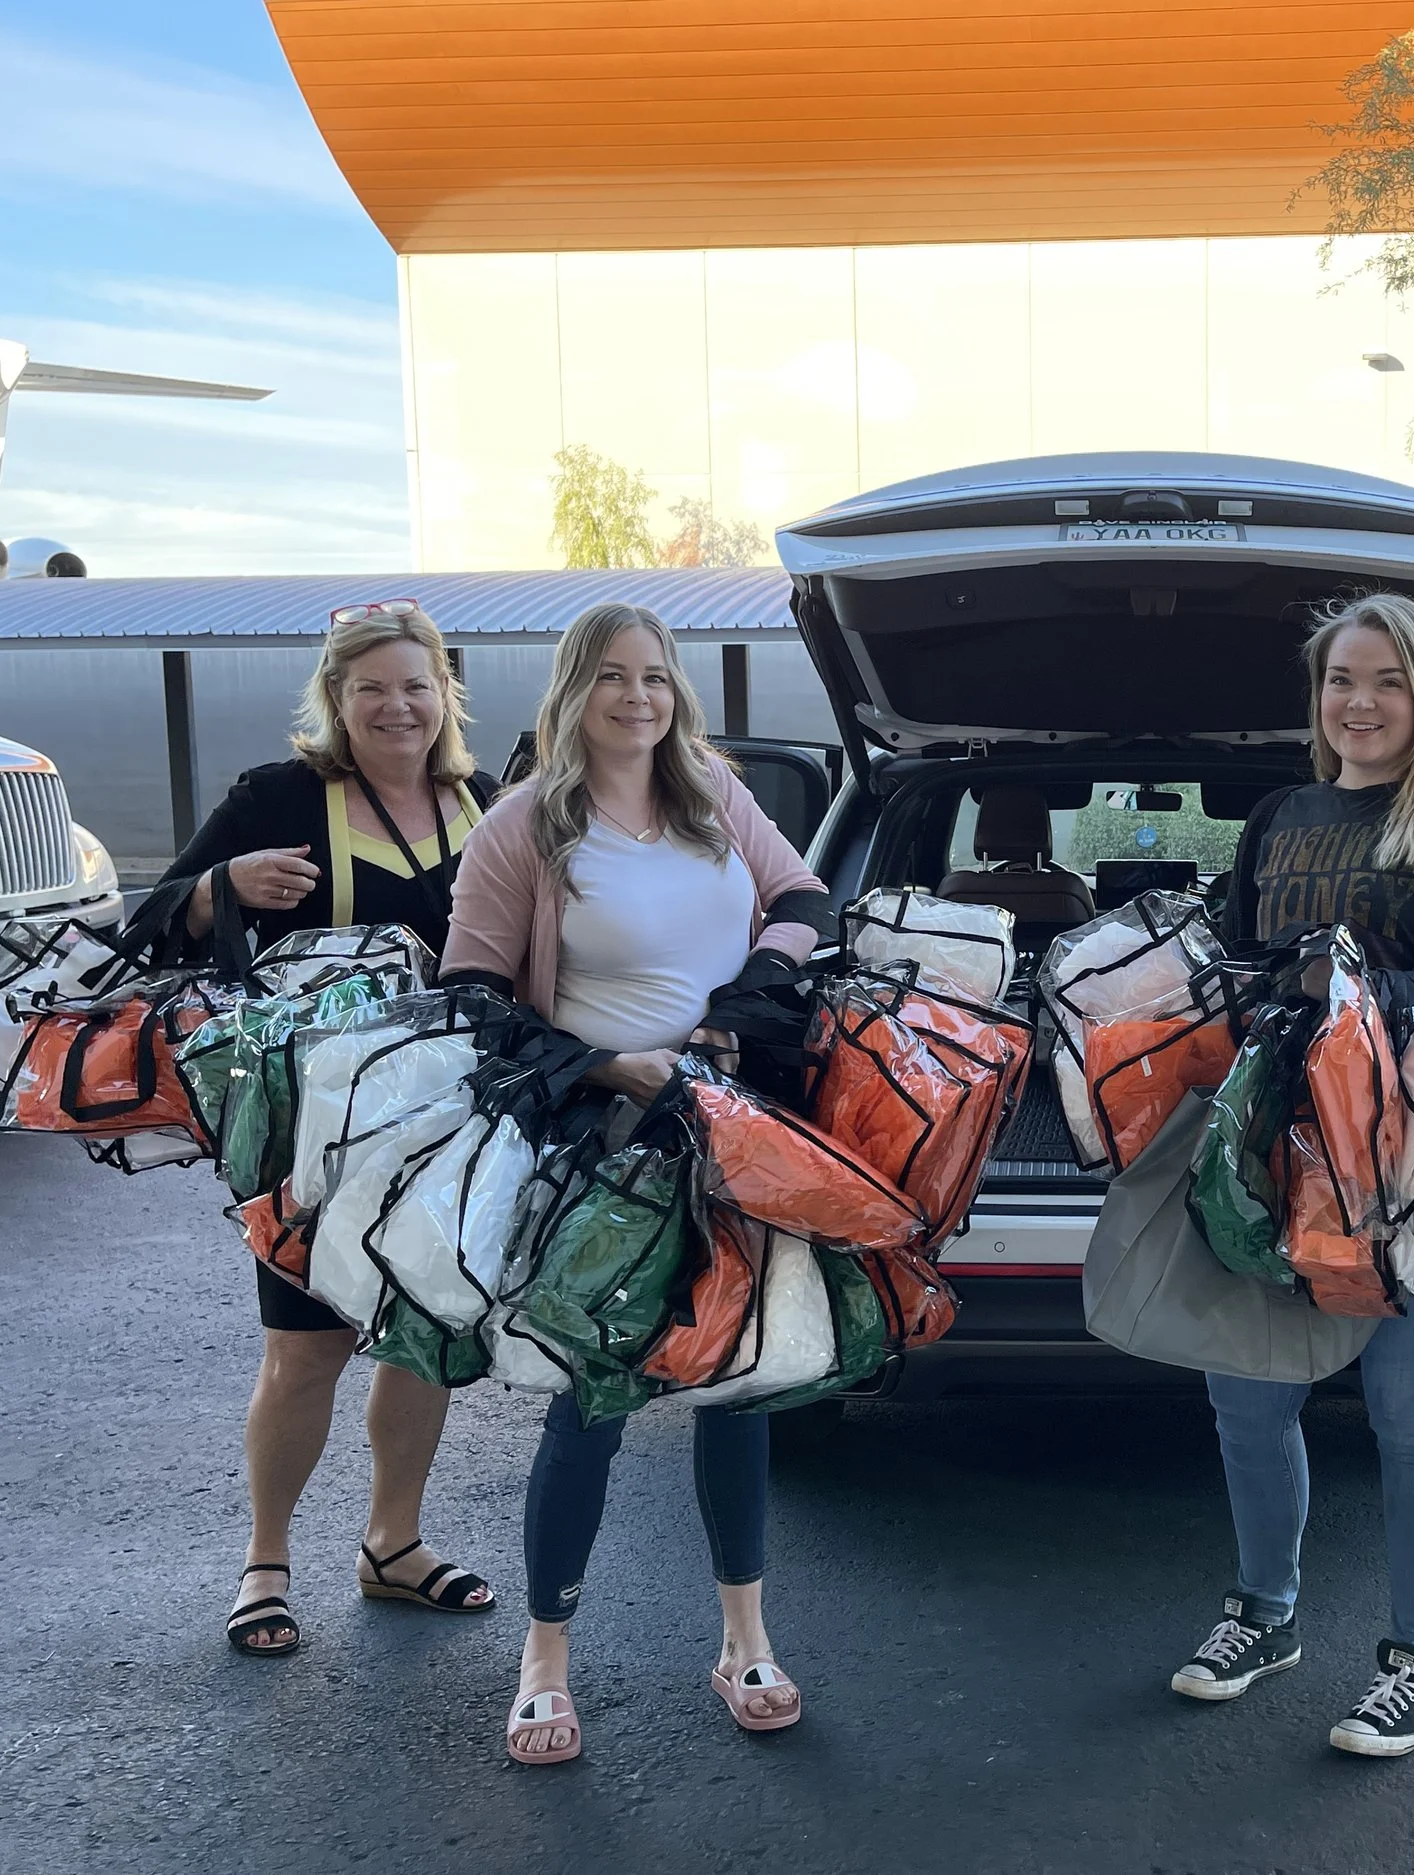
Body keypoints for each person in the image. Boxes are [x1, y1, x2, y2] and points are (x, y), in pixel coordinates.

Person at [439, 600, 836, 1766]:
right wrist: (615, 1061)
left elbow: (804, 901)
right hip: (604, 1145)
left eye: (655, 678)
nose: (637, 698)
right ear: (573, 692)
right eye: (611, 677)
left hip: (733, 1131)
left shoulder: (711, 792)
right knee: (593, 1403)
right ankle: (545, 1659)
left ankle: (744, 1639)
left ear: (678, 693)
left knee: (736, 1386)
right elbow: (473, 994)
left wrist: (744, 1004)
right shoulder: (524, 824)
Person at [1169, 591, 1414, 1759]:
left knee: (1408, 1413)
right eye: (1342, 679)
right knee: (1246, 1395)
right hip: (1278, 1153)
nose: (1361, 702)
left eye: (1388, 680)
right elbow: (1236, 955)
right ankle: (1264, 1615)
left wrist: (1371, 1002)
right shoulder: (1279, 814)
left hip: (1408, 1166)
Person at [153, 599, 503, 1659]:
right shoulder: (279, 797)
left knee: (427, 1336)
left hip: (451, 1123)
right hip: (312, 1129)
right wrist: (223, 888)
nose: (396, 707)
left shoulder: (481, 802)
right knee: (306, 1350)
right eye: (371, 690)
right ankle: (266, 1558)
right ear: (336, 701)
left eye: (415, 686)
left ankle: (392, 1545)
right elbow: (149, 915)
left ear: (445, 695)